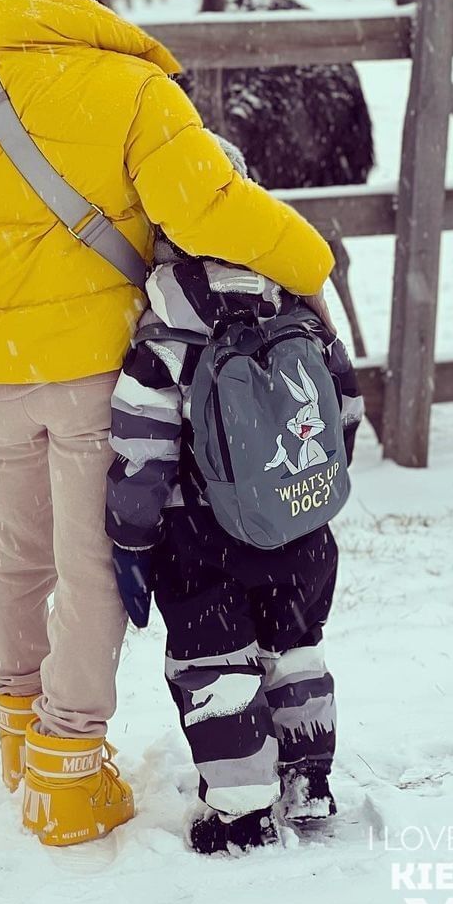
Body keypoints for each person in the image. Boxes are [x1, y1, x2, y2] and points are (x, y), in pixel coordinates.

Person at [0, 0, 335, 848]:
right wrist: (309, 258)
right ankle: (70, 770)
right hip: (99, 381)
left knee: (13, 557)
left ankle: (16, 737)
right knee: (91, 569)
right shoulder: (132, 91)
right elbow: (209, 207)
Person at [106, 147, 363, 854]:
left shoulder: (172, 312)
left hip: (200, 534)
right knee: (295, 649)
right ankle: (308, 777)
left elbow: (142, 433)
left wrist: (131, 532)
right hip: (299, 527)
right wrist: (299, 495)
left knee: (217, 666)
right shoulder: (292, 288)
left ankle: (242, 814)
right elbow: (343, 406)